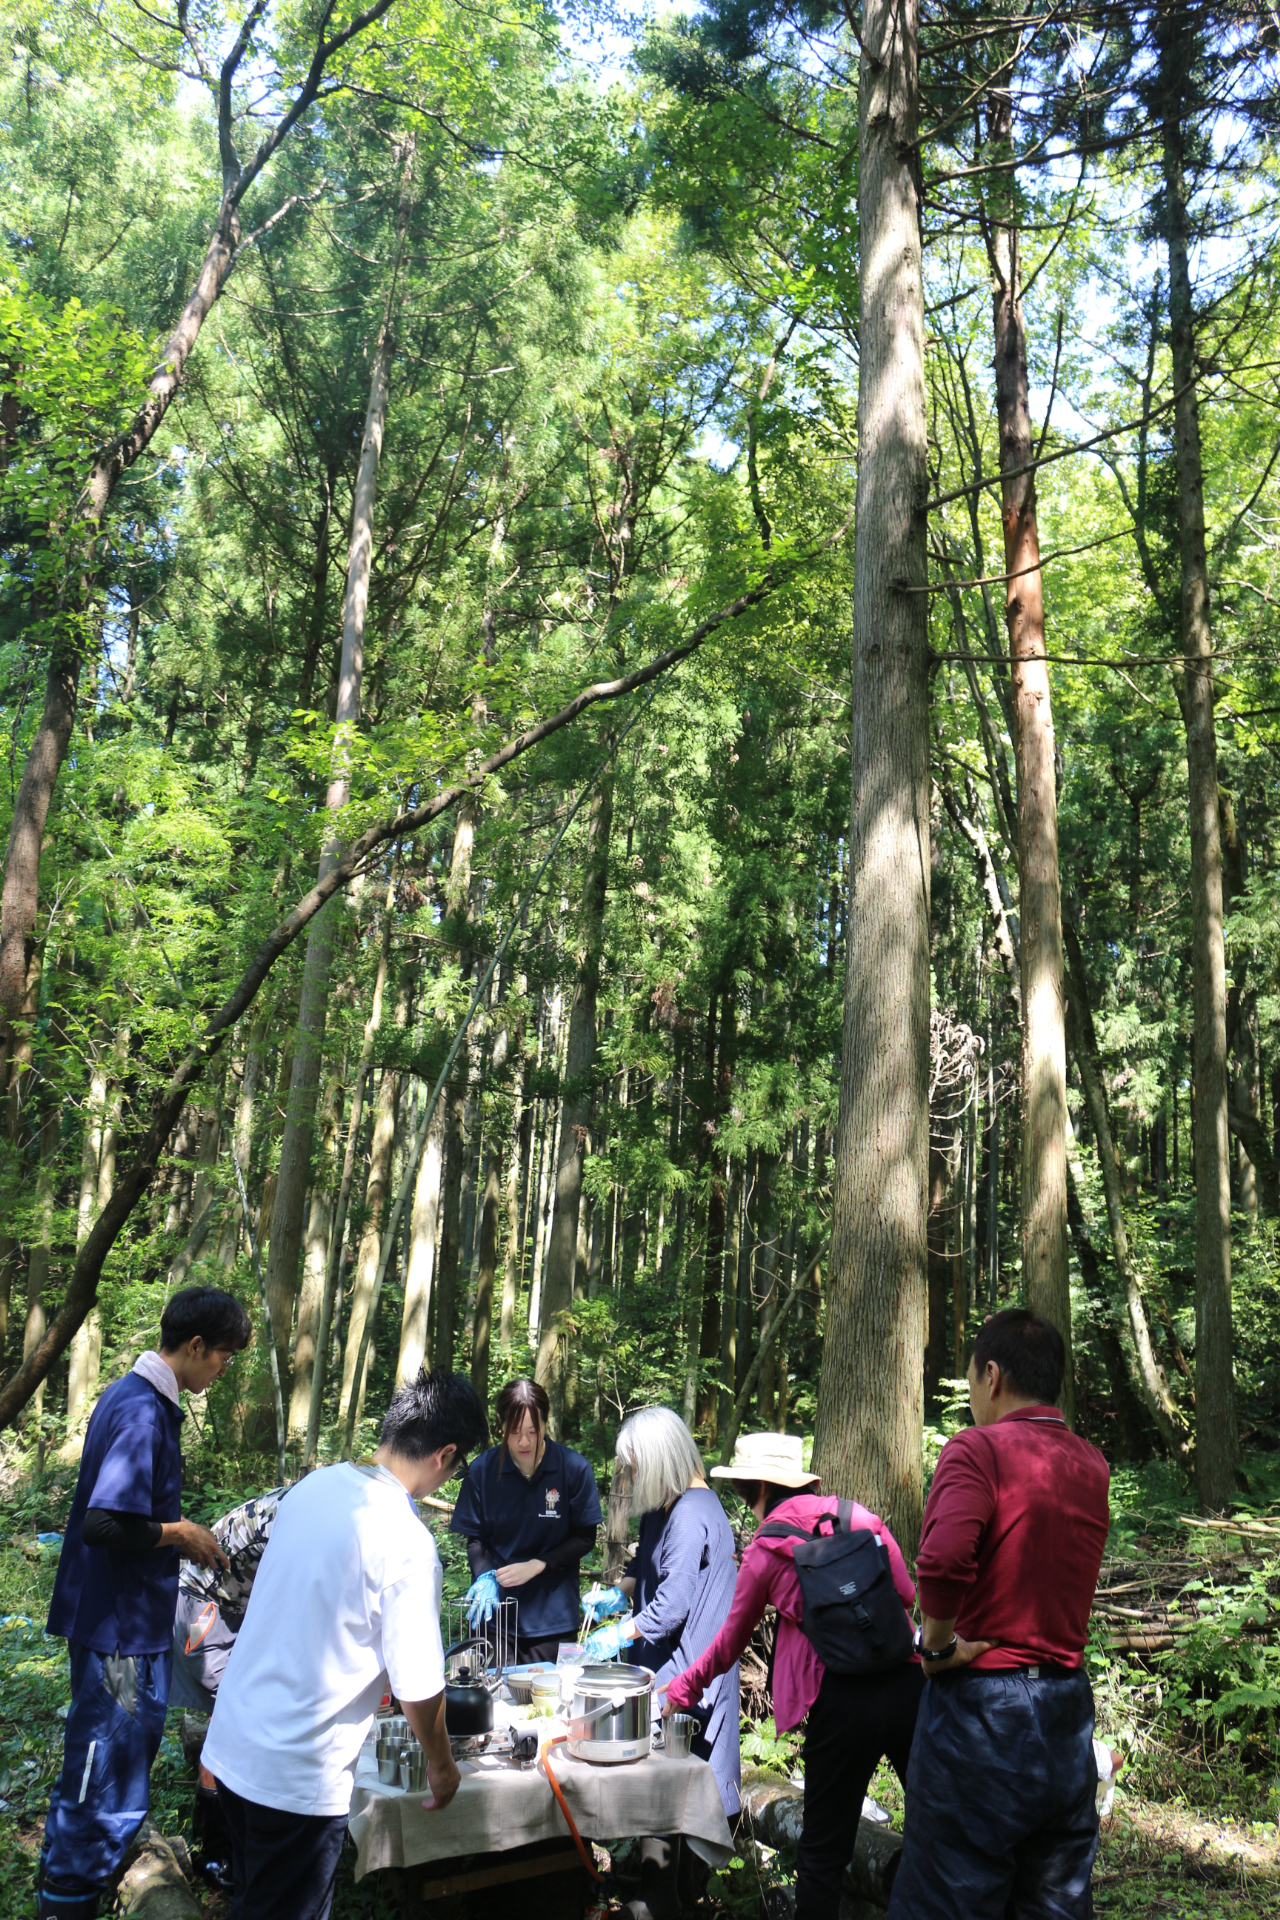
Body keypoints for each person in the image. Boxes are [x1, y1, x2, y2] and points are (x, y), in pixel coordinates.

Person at [202, 1368, 489, 1920]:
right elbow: (420, 1689)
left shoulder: (316, 1486)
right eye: (458, 1467)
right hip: (294, 1779)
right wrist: (444, 1766)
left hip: (233, 1748)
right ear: (444, 1454)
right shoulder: (407, 1541)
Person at [886, 1309, 1110, 1920]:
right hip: (1066, 1713)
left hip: (982, 1718)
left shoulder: (976, 1450)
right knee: (1052, 1904)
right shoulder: (1091, 1465)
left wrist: (935, 1649)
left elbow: (942, 1561)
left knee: (947, 1900)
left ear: (992, 1376)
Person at [37, 1285, 251, 1920]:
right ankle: (65, 1901)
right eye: (224, 1357)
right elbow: (102, 1524)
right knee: (101, 1775)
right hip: (118, 1633)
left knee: (113, 1768)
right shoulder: (140, 1411)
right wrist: (178, 1533)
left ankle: (78, 1887)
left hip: (128, 1620)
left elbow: (129, 1515)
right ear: (194, 1346)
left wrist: (174, 1533)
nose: (224, 1368)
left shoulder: (145, 1401)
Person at [664, 1431, 923, 1920]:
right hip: (908, 1683)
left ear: (756, 1489)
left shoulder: (766, 1550)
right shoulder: (857, 1517)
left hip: (842, 1701)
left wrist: (683, 1686)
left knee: (823, 1854)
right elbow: (906, 1595)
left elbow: (728, 1644)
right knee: (936, 1831)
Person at [581, 1407, 740, 1920]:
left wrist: (621, 1632)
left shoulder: (694, 1512)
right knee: (658, 1799)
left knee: (665, 1803)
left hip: (686, 1684)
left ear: (658, 1459)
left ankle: (660, 1902)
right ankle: (662, 1895)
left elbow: (671, 1605)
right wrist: (615, 1595)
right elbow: (644, 1570)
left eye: (634, 1465)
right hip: (662, 1676)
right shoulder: (665, 1508)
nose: (631, 1477)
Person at [169, 1484, 288, 1892]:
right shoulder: (292, 1523)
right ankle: (217, 1851)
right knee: (236, 1721)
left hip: (234, 1608)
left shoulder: (307, 1504)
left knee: (236, 1717)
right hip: (203, 1607)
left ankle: (229, 1844)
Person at [451, 1377, 602, 1662]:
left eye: (533, 1431)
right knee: (497, 1701)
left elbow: (585, 1537)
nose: (524, 1441)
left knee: (551, 1704)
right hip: (497, 1619)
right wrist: (485, 1575)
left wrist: (539, 1564)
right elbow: (477, 1538)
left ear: (545, 1424)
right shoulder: (482, 1472)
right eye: (515, 1431)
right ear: (502, 1428)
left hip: (554, 1620)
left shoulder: (573, 1469)